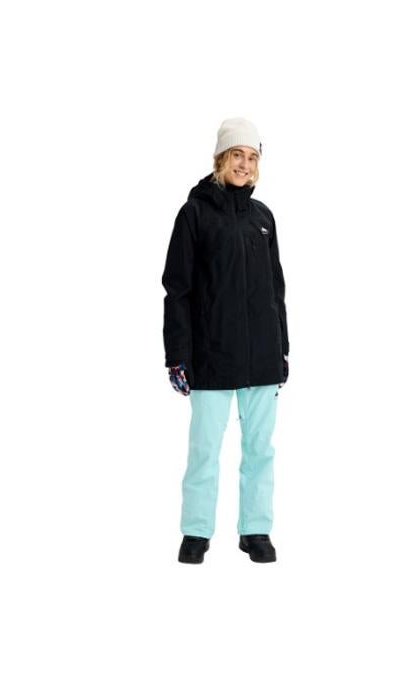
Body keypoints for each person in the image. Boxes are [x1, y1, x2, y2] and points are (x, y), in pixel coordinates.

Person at [162, 117, 289, 564]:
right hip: (211, 355)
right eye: (237, 155)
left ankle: (255, 530)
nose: (245, 164)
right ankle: (196, 532)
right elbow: (177, 289)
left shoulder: (263, 218)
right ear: (221, 158)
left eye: (252, 157)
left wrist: (282, 349)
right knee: (204, 449)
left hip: (262, 356)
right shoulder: (194, 214)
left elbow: (276, 290)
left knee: (260, 449)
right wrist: (177, 355)